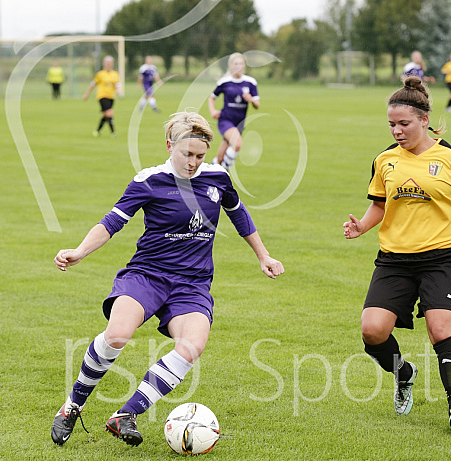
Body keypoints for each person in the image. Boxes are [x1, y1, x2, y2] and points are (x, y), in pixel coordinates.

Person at [50, 111, 284, 447]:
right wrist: (80, 251)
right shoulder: (149, 180)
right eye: (186, 154)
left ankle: (125, 415)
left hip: (192, 284)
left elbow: (238, 213)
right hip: (147, 275)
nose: (193, 163)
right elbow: (112, 222)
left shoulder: (217, 178)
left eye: (200, 156)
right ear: (169, 145)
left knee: (192, 346)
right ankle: (72, 405)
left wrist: (264, 255)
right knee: (117, 335)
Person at [343, 76, 451, 432]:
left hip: (443, 258)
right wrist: (362, 225)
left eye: (404, 124)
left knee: (440, 328)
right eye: (391, 124)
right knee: (372, 331)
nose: (397, 131)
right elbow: (380, 204)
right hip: (394, 260)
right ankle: (403, 372)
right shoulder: (385, 161)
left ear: (424, 119)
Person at [208, 52, 260, 170]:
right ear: (231, 65)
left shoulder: (250, 82)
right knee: (237, 144)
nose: (238, 66)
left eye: (241, 63)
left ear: (244, 65)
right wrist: (213, 111)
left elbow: (257, 105)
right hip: (226, 120)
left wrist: (251, 100)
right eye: (236, 64)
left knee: (220, 159)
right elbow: (212, 97)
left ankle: (212, 169)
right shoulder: (224, 82)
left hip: (240, 123)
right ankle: (224, 173)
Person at [83, 56, 120, 137]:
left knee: (105, 115)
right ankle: (113, 132)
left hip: (111, 97)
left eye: (110, 63)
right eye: (107, 63)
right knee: (110, 113)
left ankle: (97, 131)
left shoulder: (115, 74)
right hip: (102, 96)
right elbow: (93, 85)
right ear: (104, 64)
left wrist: (118, 91)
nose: (109, 65)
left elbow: (117, 84)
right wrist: (87, 94)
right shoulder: (100, 74)